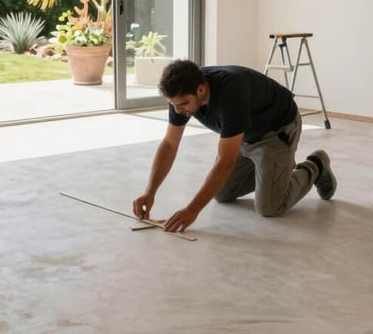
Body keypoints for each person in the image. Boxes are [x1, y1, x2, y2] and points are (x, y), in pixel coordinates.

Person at [132, 59, 336, 233]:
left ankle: (316, 165)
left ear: (201, 89)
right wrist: (150, 192)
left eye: (182, 104)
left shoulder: (231, 93)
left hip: (275, 132)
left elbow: (225, 161)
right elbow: (170, 144)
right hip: (242, 135)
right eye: (173, 104)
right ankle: (272, 173)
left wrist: (192, 210)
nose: (177, 110)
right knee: (222, 193)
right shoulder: (181, 95)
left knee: (269, 206)